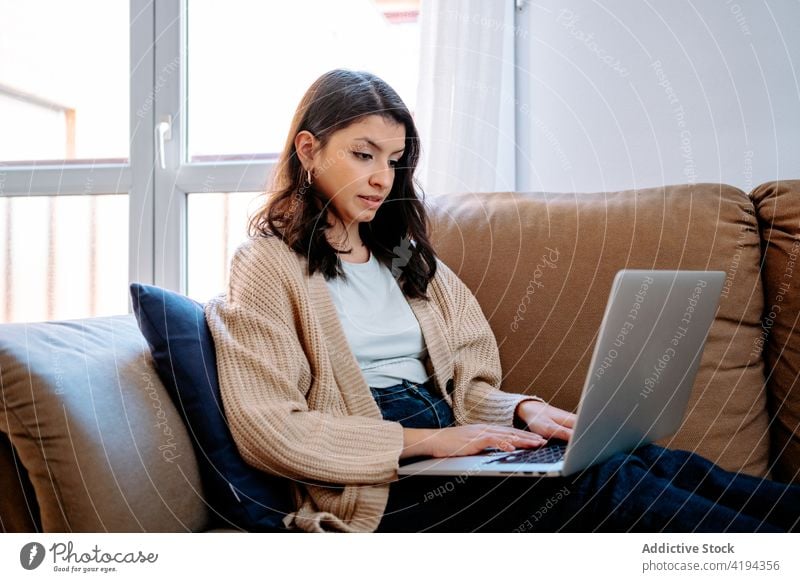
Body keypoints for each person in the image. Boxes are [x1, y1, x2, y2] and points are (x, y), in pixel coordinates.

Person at [204, 69, 800, 533]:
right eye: (363, 154)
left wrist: (520, 412)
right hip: (381, 481)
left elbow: (470, 386)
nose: (383, 177)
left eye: (394, 159)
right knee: (606, 485)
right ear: (309, 151)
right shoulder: (265, 265)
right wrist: (429, 443)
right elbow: (270, 429)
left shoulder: (402, 255)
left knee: (646, 461)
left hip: (451, 448)